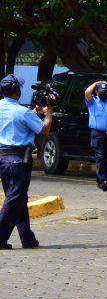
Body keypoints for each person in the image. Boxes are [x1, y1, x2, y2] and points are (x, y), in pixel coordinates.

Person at [0, 74, 53, 250]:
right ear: (16, 91)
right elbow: (44, 129)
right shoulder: (22, 112)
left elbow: (15, 121)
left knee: (19, 199)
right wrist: (49, 110)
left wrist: (35, 112)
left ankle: (27, 238)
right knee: (14, 198)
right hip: (19, 160)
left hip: (3, 159)